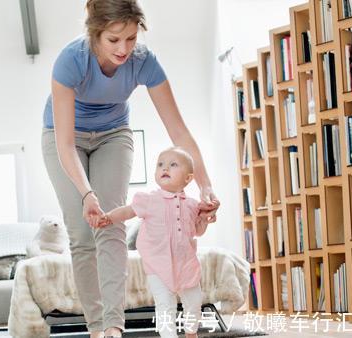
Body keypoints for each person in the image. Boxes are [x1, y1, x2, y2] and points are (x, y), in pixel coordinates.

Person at [41, 0, 220, 337]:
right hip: (63, 137)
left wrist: (205, 185)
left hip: (113, 135)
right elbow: (65, 144)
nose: (124, 49)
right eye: (113, 40)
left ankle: (113, 327)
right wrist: (86, 193)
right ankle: (96, 328)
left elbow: (178, 131)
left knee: (110, 224)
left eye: (131, 39)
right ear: (95, 34)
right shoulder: (70, 61)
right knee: (82, 233)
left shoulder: (143, 62)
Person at [94, 147, 208, 338]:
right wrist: (109, 217)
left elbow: (198, 231)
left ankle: (191, 332)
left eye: (173, 165)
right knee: (165, 306)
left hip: (186, 264)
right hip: (158, 265)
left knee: (195, 300)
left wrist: (203, 219)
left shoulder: (192, 204)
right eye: (161, 164)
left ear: (188, 178)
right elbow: (128, 211)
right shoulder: (148, 199)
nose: (165, 168)